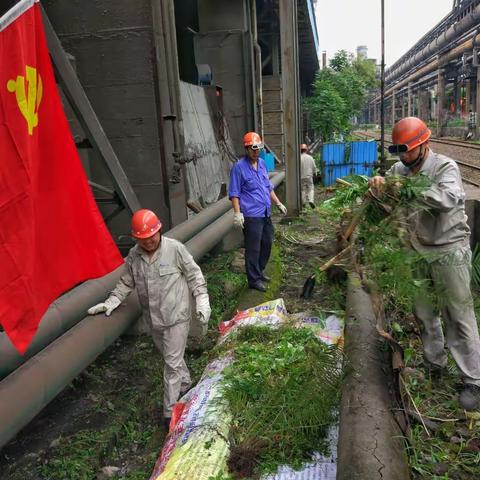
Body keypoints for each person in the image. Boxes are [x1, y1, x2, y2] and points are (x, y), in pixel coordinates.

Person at [369, 116, 480, 411]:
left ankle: (473, 380)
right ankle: (435, 364)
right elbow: (389, 198)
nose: (403, 157)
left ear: (423, 145)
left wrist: (408, 188)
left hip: (448, 250)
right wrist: (378, 187)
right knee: (424, 312)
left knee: (458, 314)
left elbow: (449, 198)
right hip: (417, 249)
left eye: (407, 151)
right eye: (399, 152)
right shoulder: (398, 169)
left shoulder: (445, 167)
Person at [87, 209, 211, 427]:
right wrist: (112, 301)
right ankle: (187, 385)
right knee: (171, 358)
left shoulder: (175, 249)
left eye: (152, 237)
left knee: (171, 366)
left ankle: (169, 414)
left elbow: (194, 275)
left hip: (176, 316)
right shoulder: (134, 256)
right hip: (154, 319)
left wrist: (202, 299)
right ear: (136, 238)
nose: (149, 242)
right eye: (143, 239)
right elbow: (127, 282)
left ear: (159, 230)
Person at [229, 132, 287, 292]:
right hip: (251, 215)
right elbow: (234, 192)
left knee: (267, 243)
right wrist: (237, 213)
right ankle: (253, 280)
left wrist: (278, 203)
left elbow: (268, 187)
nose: (256, 152)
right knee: (253, 248)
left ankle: (259, 271)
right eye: (253, 149)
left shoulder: (262, 163)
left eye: (258, 149)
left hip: (265, 212)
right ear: (246, 149)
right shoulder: (239, 168)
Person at [300, 143, 318, 209]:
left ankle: (303, 203)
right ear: (306, 150)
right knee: (311, 188)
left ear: (300, 150)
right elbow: (314, 167)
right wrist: (315, 173)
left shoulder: (298, 158)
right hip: (309, 176)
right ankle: (311, 200)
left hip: (301, 177)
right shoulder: (310, 157)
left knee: (302, 190)